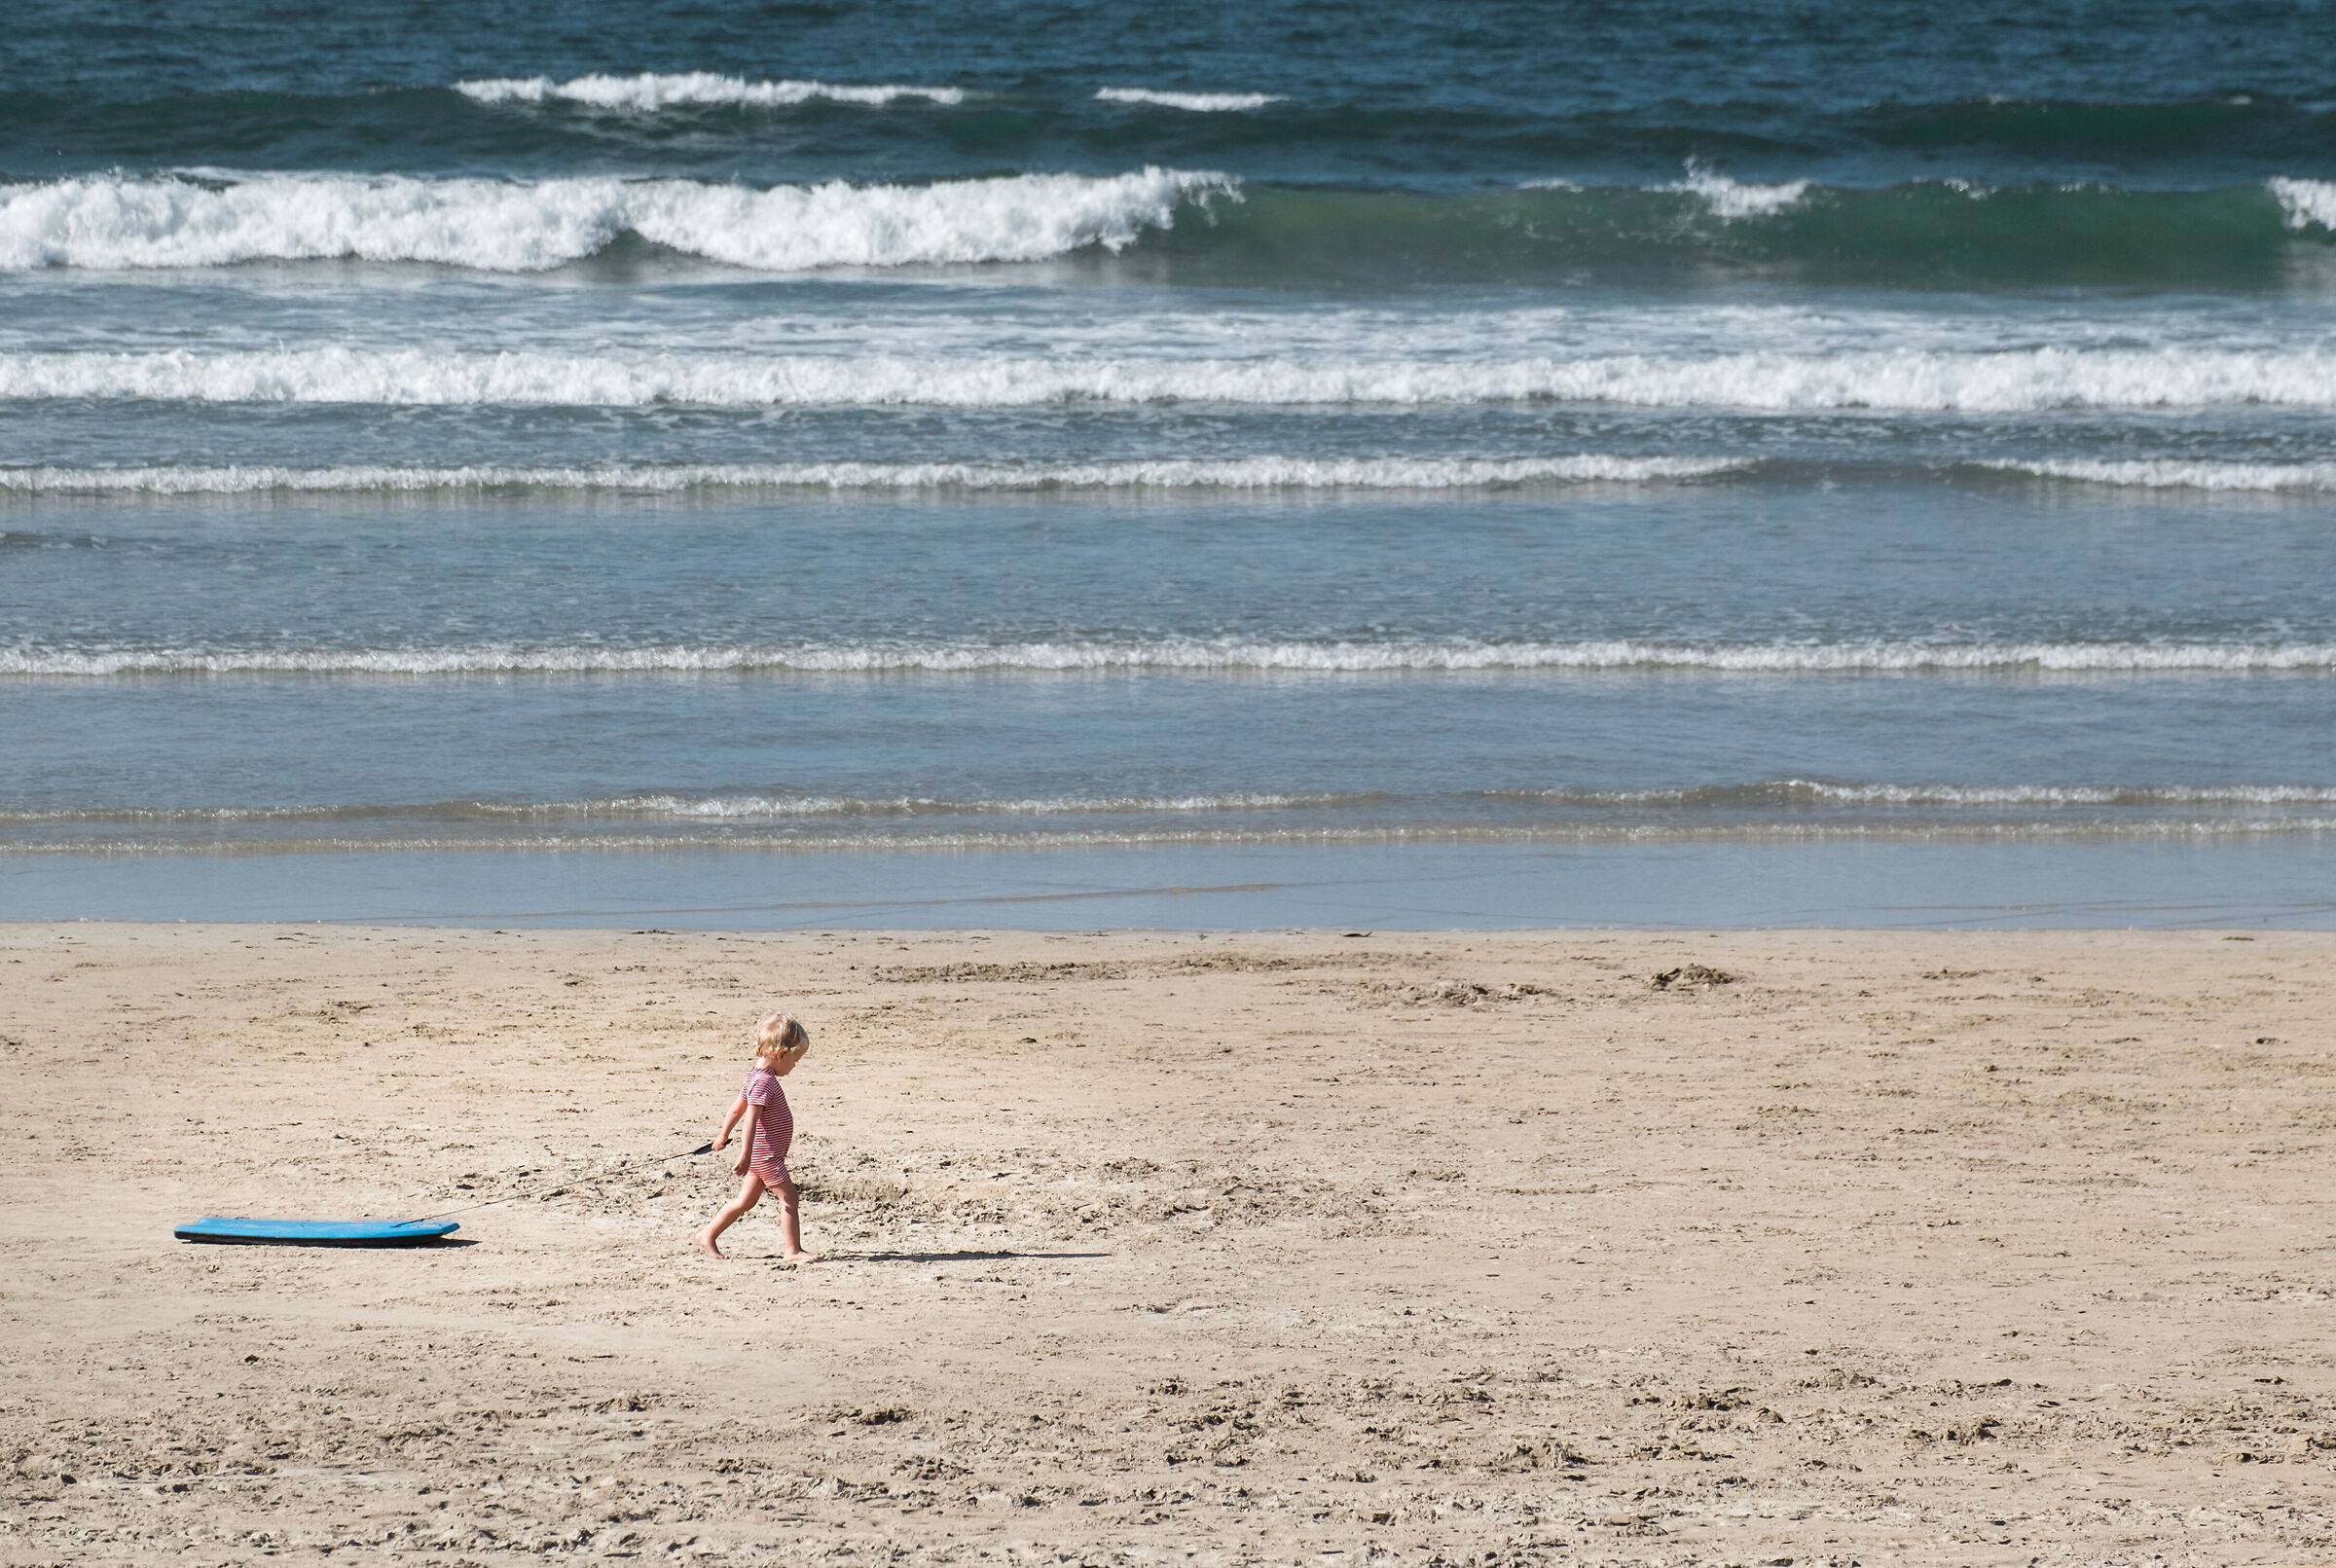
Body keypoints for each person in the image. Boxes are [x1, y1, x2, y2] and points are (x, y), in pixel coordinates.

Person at [696, 1012, 818, 1262]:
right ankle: (792, 1250)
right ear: (782, 1054)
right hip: (767, 1157)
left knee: (744, 1202)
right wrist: (745, 1153)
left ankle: (708, 1234)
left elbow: (735, 1109)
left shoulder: (753, 1075)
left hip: (762, 1156)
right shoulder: (763, 1082)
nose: (795, 1066)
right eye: (795, 1060)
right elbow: (749, 1117)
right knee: (790, 1198)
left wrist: (722, 1135)